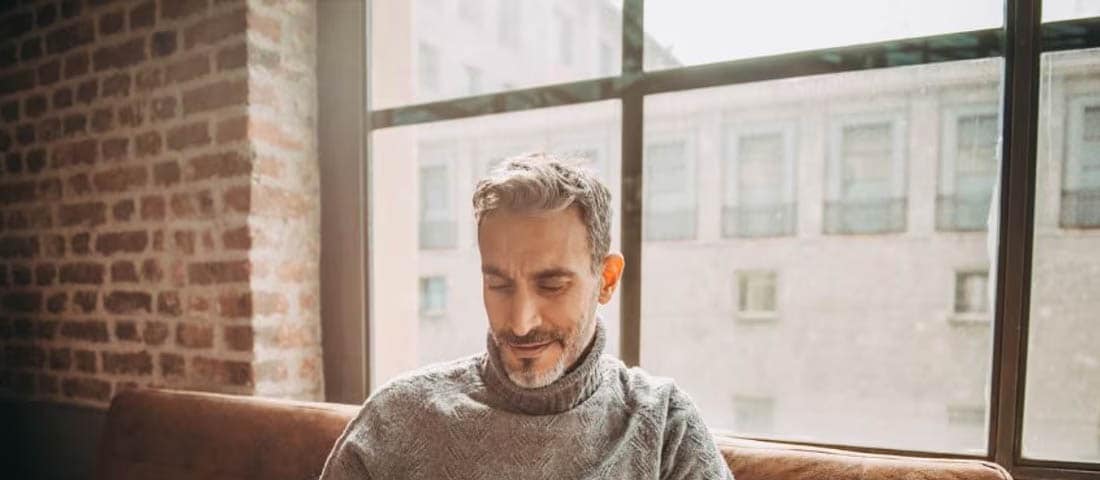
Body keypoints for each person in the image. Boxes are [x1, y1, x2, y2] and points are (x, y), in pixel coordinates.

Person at [319, 153, 733, 479]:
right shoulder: (397, 418)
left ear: (606, 280)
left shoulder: (664, 427)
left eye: (552, 285)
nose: (519, 322)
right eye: (498, 285)